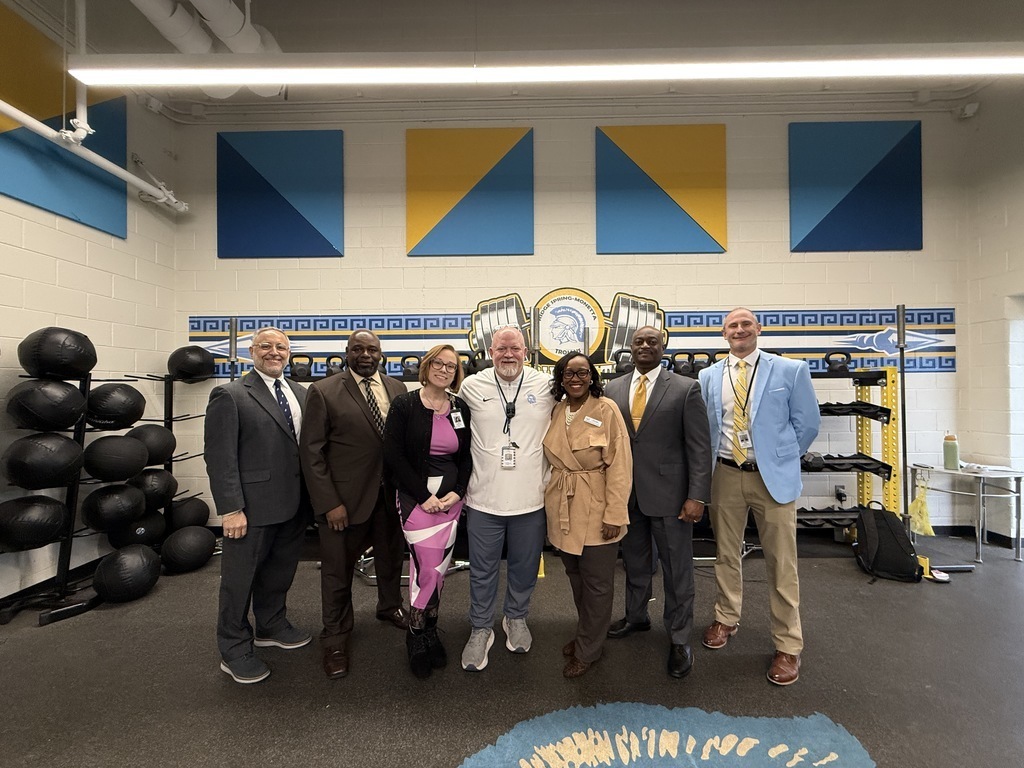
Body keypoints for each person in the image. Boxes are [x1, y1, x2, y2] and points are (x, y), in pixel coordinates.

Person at [697, 307, 821, 686]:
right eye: (732, 325)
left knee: (782, 563)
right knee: (725, 554)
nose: (739, 330)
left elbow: (808, 422)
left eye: (746, 324)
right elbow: (706, 426)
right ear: (723, 334)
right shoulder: (708, 376)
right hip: (726, 475)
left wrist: (779, 457)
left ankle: (788, 645)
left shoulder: (790, 370)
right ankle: (726, 618)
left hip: (774, 479)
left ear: (758, 329)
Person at [299, 329, 409, 680]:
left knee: (391, 559)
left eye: (371, 349)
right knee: (336, 572)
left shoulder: (397, 388)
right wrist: (329, 502)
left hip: (388, 497)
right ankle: (335, 637)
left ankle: (390, 606)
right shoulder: (324, 390)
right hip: (344, 503)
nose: (365, 354)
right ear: (346, 353)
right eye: (357, 349)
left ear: (381, 354)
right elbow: (311, 453)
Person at [204, 326, 312, 685]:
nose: (274, 352)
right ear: (252, 351)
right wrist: (231, 508)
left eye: (281, 347)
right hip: (250, 509)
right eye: (266, 346)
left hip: (294, 504)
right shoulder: (230, 395)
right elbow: (220, 457)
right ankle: (234, 648)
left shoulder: (299, 392)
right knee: (239, 581)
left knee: (279, 571)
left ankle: (271, 624)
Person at [604, 325, 712, 679]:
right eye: (639, 341)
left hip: (671, 498)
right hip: (627, 495)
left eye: (653, 341)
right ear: (630, 348)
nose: (646, 346)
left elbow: (699, 447)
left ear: (663, 347)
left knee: (677, 571)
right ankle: (636, 616)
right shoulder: (613, 388)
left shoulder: (685, 388)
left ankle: (680, 638)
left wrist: (696, 496)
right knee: (635, 563)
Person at [458, 325, 555, 672]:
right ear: (490, 351)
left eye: (515, 348)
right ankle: (481, 627)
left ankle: (516, 617)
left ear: (526, 352)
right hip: (484, 498)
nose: (508, 355)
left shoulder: (546, 386)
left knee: (525, 567)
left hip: (531, 499)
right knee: (482, 570)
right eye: (501, 349)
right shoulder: (471, 386)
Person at [383, 344, 473, 679]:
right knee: (426, 568)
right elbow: (393, 455)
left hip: (450, 503)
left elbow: (465, 457)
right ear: (427, 365)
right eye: (439, 362)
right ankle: (415, 632)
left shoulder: (459, 407)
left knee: (439, 569)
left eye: (451, 366)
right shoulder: (405, 404)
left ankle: (430, 627)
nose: (445, 369)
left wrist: (457, 492)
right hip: (415, 500)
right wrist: (423, 496)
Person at [542, 353, 632, 678]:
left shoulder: (606, 409)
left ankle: (589, 650)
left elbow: (620, 466)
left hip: (596, 507)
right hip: (563, 506)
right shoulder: (558, 410)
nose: (576, 378)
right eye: (569, 373)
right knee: (575, 577)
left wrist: (615, 514)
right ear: (561, 378)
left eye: (582, 372)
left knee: (597, 584)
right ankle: (588, 635)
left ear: (592, 376)